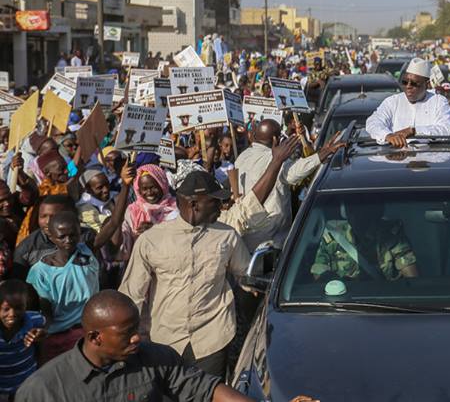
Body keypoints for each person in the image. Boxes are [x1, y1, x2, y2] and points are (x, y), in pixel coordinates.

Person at [15, 290, 318, 402]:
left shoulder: (155, 357)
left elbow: (206, 390)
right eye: (127, 333)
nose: (137, 338)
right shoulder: (42, 390)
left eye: (137, 328)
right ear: (95, 337)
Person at [120, 171, 249, 378]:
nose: (221, 206)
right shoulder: (151, 240)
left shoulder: (227, 236)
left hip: (213, 337)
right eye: (214, 201)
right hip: (165, 339)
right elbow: (132, 293)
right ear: (194, 204)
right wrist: (125, 337)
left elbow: (247, 275)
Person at [234, 119, 339, 252]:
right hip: (271, 240)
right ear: (275, 139)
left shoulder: (241, 158)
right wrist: (321, 155)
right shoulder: (275, 159)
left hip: (244, 237)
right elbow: (294, 173)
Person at [26, 211, 104, 362]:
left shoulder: (86, 252)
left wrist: (126, 188)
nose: (68, 240)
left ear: (79, 232)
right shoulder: (40, 271)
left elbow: (113, 223)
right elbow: (45, 310)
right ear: (52, 237)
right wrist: (44, 330)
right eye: (62, 237)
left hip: (88, 330)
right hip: (57, 336)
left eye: (73, 235)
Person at [310, 200, 418, 281]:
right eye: (351, 210)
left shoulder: (391, 235)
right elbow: (319, 273)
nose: (356, 216)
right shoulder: (334, 235)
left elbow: (412, 278)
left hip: (384, 304)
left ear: (374, 212)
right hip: (342, 304)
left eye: (361, 211)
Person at [366, 57, 450, 147]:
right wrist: (387, 135)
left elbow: (446, 128)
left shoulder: (438, 102)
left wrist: (414, 131)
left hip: (429, 157)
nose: (408, 86)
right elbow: (373, 122)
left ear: (427, 84)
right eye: (405, 82)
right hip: (397, 157)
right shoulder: (393, 101)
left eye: (414, 83)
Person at [121, 164, 178, 258]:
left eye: (153, 187)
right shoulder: (133, 211)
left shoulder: (176, 206)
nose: (149, 193)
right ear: (138, 189)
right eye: (144, 189)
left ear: (162, 184)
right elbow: (126, 243)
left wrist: (155, 230)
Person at [0, 279, 46, 398]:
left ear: (26, 305)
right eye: (6, 309)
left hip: (27, 384)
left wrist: (43, 334)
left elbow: (46, 324)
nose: (12, 314)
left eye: (19, 308)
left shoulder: (34, 319)